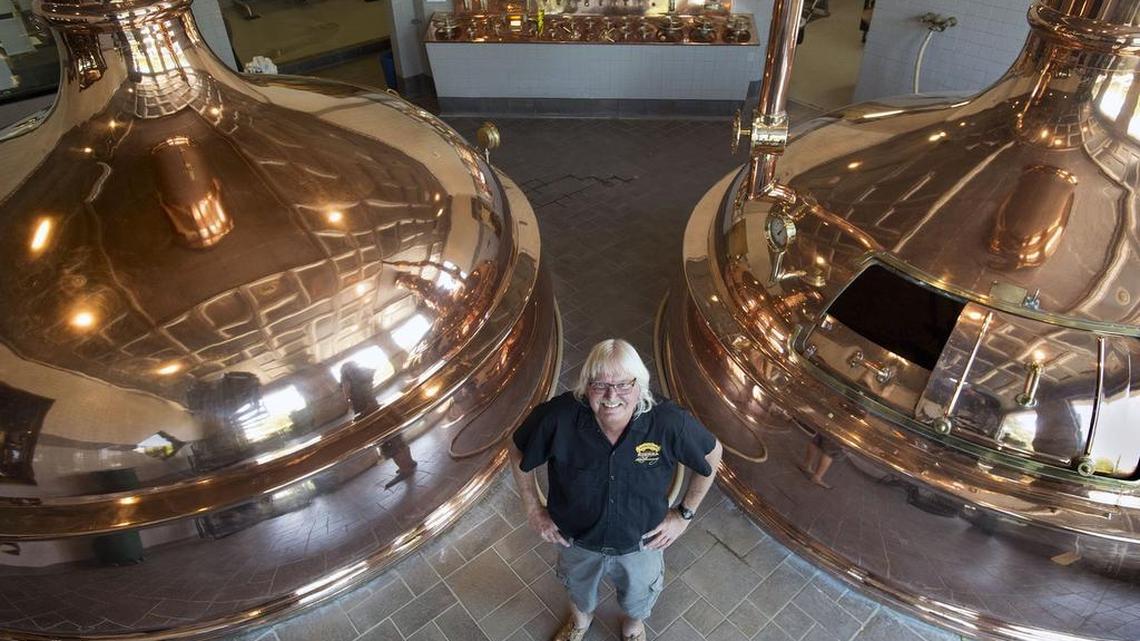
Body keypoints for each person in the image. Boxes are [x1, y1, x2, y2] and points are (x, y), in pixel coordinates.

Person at [510, 339, 723, 641]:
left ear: (641, 385)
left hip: (642, 543)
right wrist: (532, 507)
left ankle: (634, 628)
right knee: (578, 590)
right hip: (577, 540)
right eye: (600, 385)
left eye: (624, 384)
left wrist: (685, 514)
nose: (612, 396)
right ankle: (580, 623)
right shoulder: (558, 417)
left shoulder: (667, 421)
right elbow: (518, 449)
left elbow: (713, 454)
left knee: (639, 597)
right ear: (586, 387)